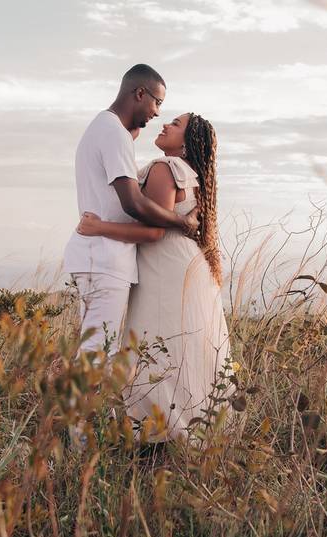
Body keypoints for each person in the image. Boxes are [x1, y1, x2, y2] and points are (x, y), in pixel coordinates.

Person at [76, 112, 232, 444]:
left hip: (164, 268)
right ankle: (186, 432)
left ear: (188, 143)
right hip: (182, 265)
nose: (165, 124)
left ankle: (157, 434)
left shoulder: (166, 169)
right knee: (178, 349)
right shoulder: (193, 175)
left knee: (154, 346)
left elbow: (152, 231)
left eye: (175, 124)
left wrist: (98, 227)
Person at [62, 64, 199, 359]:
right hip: (104, 259)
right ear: (140, 93)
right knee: (96, 355)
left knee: (97, 351)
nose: (158, 113)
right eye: (157, 102)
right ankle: (78, 406)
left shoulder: (107, 128)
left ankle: (86, 405)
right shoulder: (114, 134)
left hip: (95, 256)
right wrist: (181, 221)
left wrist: (133, 130)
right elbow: (132, 203)